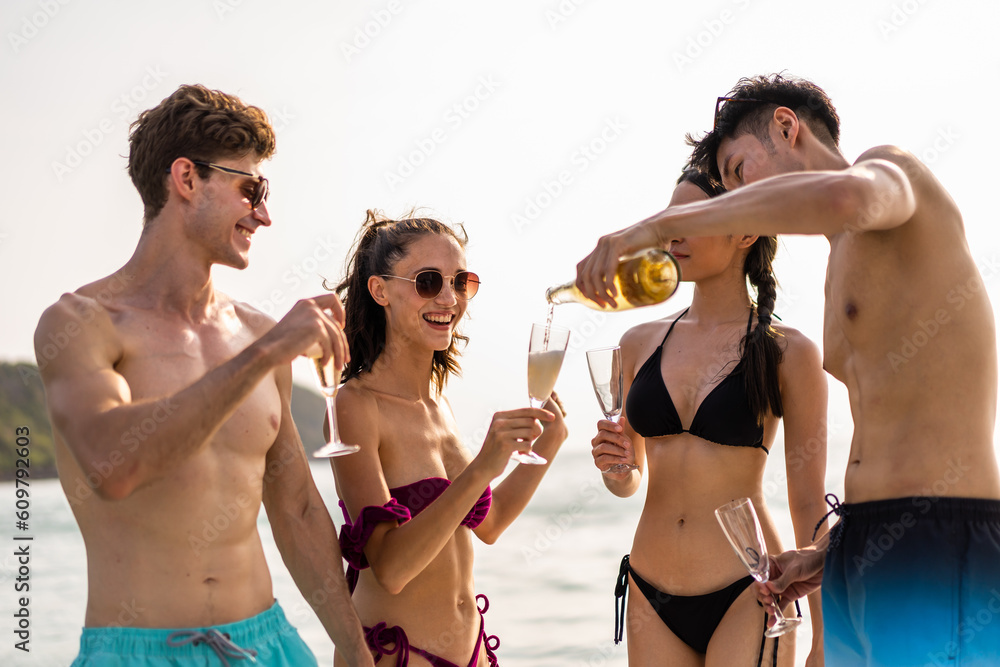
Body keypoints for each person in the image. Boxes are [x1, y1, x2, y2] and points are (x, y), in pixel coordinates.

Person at [575, 73, 1000, 666]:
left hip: (935, 532)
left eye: (736, 176)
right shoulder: (840, 266)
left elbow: (843, 196)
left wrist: (656, 227)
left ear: (785, 126)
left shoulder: (893, 173)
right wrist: (825, 558)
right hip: (861, 543)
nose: (732, 203)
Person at [34, 84, 373, 666]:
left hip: (271, 647)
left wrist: (354, 648)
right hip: (137, 652)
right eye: (251, 189)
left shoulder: (259, 331)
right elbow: (114, 466)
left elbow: (294, 506)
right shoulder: (82, 324)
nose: (264, 214)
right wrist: (266, 356)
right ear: (186, 179)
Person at [592, 169, 827, 666]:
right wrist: (616, 466)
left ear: (745, 231)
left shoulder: (788, 353)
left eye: (693, 217)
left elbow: (808, 502)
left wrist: (825, 639)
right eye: (671, 216)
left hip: (749, 589)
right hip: (650, 591)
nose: (673, 231)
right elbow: (628, 479)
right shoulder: (639, 342)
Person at [328, 210, 568, 666]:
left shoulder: (439, 405)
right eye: (427, 281)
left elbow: (490, 524)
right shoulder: (354, 407)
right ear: (380, 290)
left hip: (473, 654)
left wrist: (547, 446)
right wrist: (482, 465)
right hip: (397, 657)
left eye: (460, 282)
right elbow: (391, 568)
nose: (449, 298)